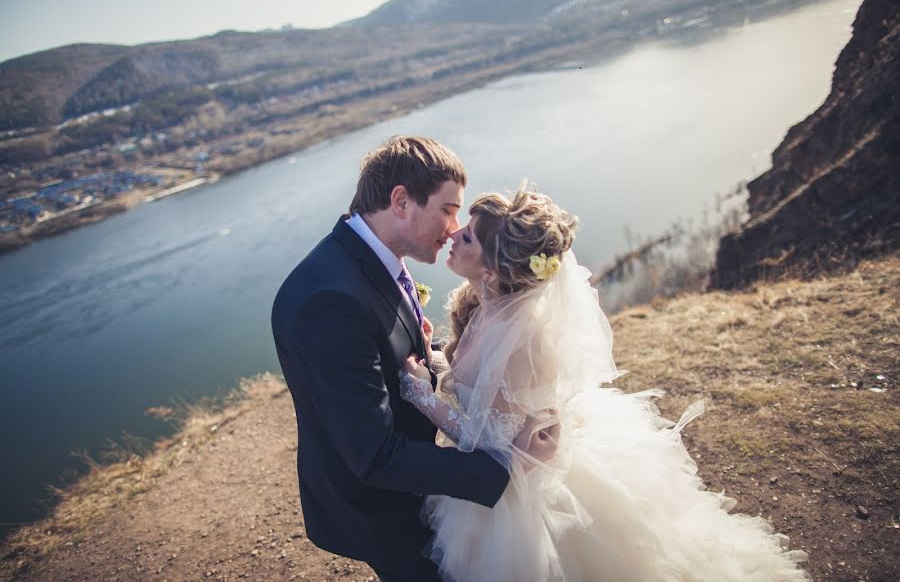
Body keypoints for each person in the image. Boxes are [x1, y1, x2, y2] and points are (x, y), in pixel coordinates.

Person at [399, 187, 812, 581]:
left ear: (491, 269)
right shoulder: (484, 304)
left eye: (468, 237)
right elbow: (478, 384)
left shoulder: (520, 340)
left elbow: (490, 443)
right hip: (508, 469)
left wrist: (421, 394)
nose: (454, 234)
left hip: (516, 495)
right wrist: (436, 358)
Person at [270, 136, 510, 582]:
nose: (454, 228)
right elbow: (375, 455)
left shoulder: (370, 258)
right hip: (380, 507)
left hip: (410, 485)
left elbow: (393, 357)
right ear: (401, 201)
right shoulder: (329, 301)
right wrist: (501, 471)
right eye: (447, 209)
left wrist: (443, 356)